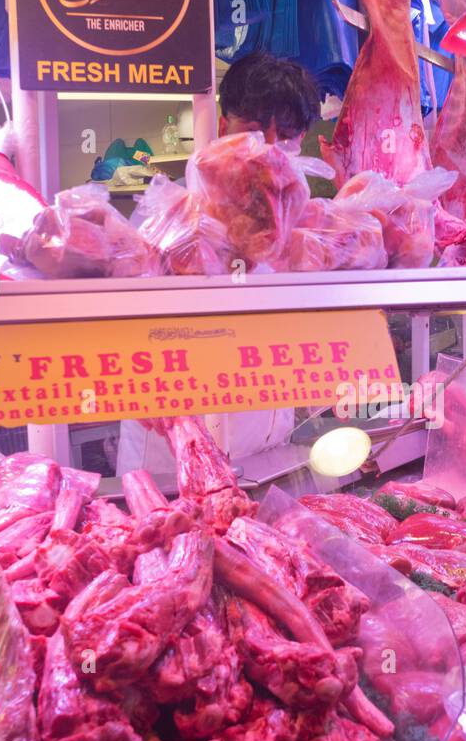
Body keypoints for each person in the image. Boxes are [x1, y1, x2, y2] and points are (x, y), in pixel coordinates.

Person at [116, 51, 322, 479]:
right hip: (173, 461)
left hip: (268, 453)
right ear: (224, 123)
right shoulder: (170, 214)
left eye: (283, 134)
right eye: (251, 129)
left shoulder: (300, 219)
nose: (265, 145)